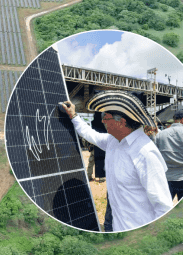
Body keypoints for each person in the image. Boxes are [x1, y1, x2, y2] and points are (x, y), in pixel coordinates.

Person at [61, 90, 173, 232]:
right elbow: (90, 134)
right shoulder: (113, 141)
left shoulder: (145, 153)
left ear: (122, 121)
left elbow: (163, 206)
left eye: (105, 117)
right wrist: (74, 116)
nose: (102, 121)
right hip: (118, 228)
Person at [154, 110, 183, 202]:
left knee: (164, 209)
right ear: (182, 120)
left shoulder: (160, 134)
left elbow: (155, 155)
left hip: (166, 177)